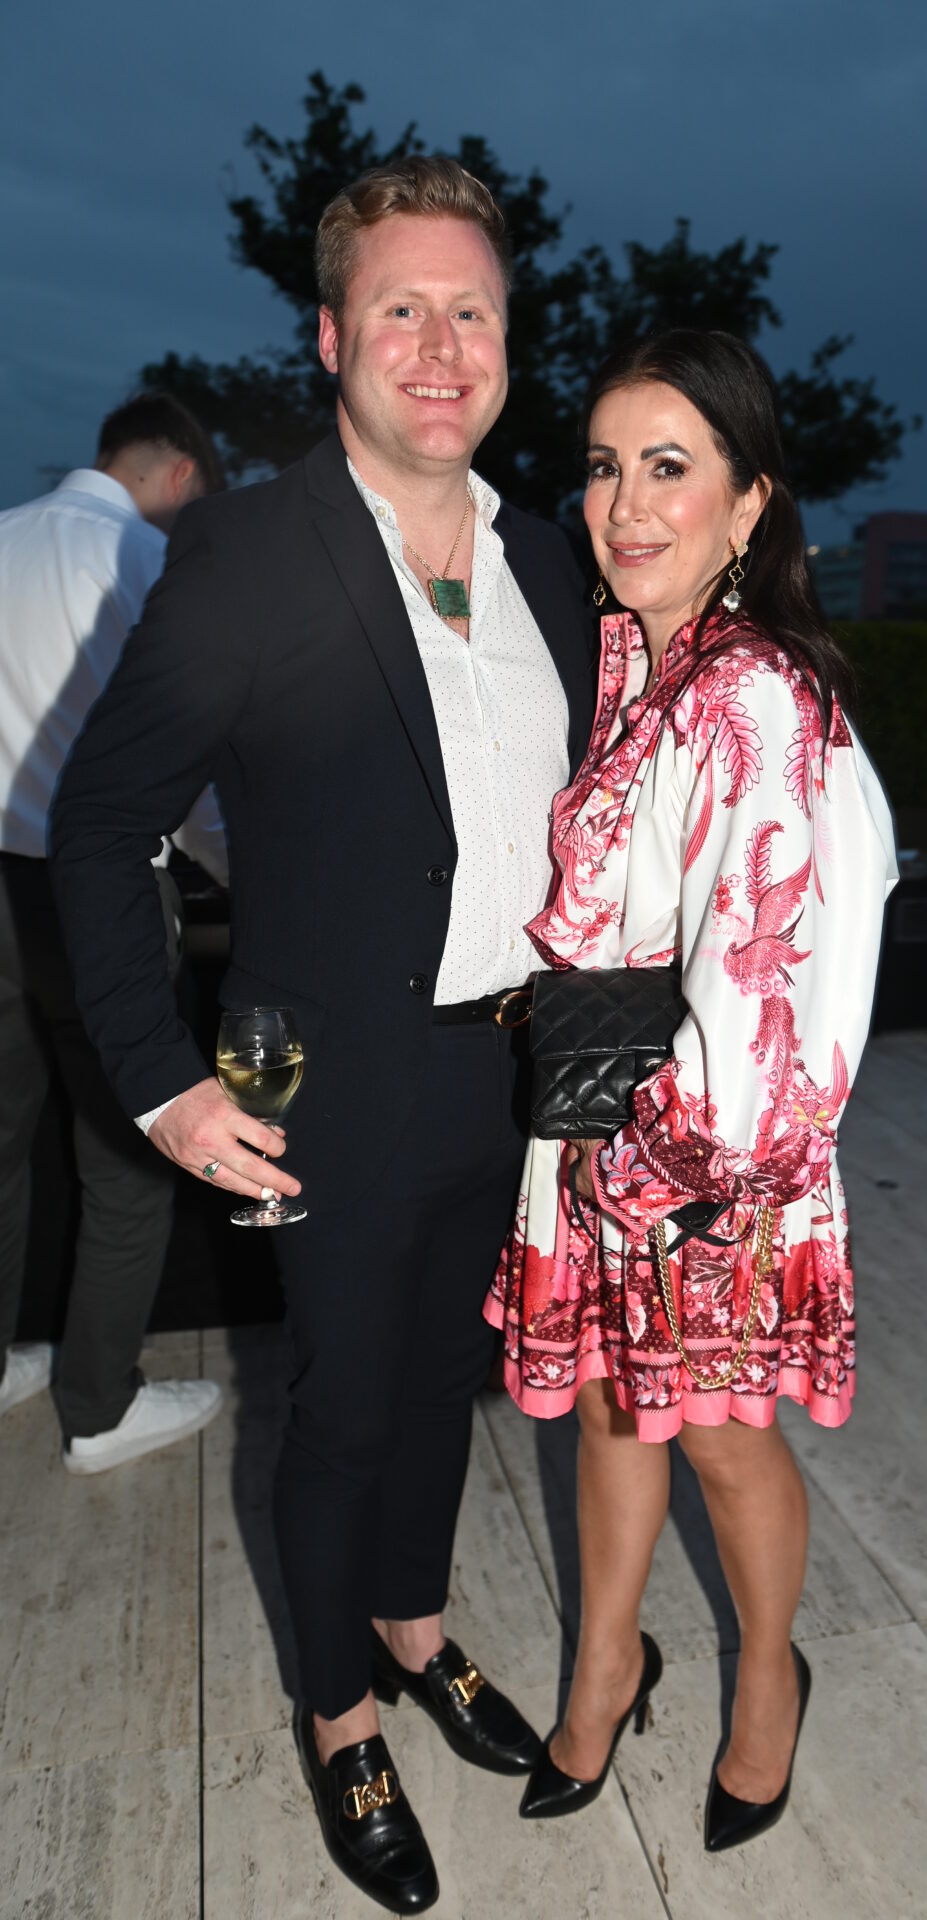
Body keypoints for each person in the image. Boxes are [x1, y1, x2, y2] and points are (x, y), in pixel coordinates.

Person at [50, 158, 594, 1912]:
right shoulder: (246, 554)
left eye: (470, 311)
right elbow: (97, 825)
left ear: (508, 338)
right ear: (331, 338)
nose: (439, 347)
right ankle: (338, 1711)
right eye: (399, 310)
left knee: (445, 1386)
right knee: (342, 1407)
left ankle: (413, 1627)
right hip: (333, 1084)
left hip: (508, 1072)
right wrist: (159, 1077)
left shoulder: (542, 557)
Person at [486, 330, 897, 1851]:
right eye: (603, 466)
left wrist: (659, 1170)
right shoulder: (640, 668)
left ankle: (767, 1679)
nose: (623, 503)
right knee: (612, 1410)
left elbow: (779, 986)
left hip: (704, 1163)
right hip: (604, 1134)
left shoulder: (752, 699)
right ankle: (606, 1671)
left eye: (669, 467)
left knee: (718, 1435)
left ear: (748, 505)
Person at [0, 392, 228, 1467]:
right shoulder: (144, 562)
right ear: (179, 474)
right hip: (100, 896)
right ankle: (96, 1408)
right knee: (131, 1156)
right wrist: (240, 877)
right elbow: (183, 768)